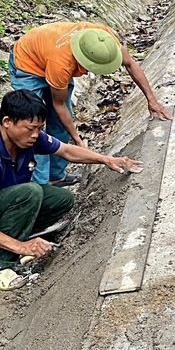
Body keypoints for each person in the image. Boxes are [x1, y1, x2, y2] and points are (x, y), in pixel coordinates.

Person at [0, 89, 142, 291]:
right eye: (30, 129)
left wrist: (106, 159)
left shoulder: (29, 137)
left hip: (9, 204)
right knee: (31, 193)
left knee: (62, 199)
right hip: (13, 201)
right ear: (7, 122)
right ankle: (3, 264)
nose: (35, 135)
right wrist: (21, 247)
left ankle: (18, 239)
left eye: (39, 129)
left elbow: (66, 151)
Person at [8, 21, 170, 186]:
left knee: (61, 125)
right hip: (28, 65)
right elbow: (59, 105)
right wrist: (78, 140)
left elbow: (130, 64)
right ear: (81, 61)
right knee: (33, 128)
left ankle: (56, 176)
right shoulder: (62, 65)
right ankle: (40, 186)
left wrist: (152, 100)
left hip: (49, 53)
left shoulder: (104, 39)